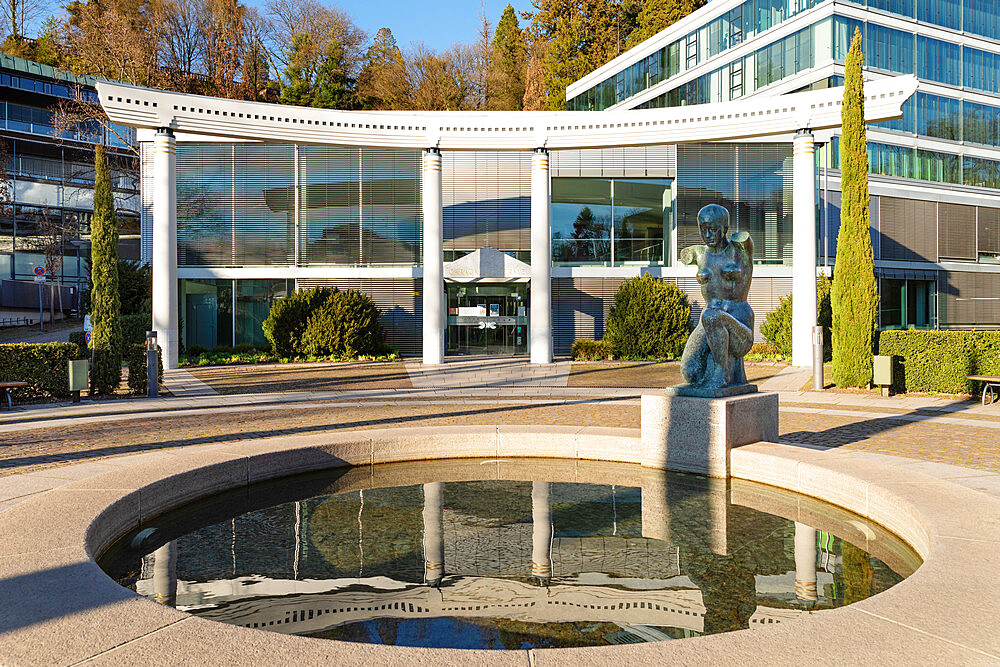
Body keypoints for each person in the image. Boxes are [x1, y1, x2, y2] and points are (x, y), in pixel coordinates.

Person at [678, 204, 755, 389]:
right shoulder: (700, 254)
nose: (708, 235)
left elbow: (746, 241)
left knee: (711, 316)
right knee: (690, 372)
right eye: (703, 229)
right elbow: (687, 254)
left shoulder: (740, 250)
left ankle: (722, 373)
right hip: (709, 321)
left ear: (725, 229)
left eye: (713, 229)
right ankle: (716, 372)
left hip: (739, 324)